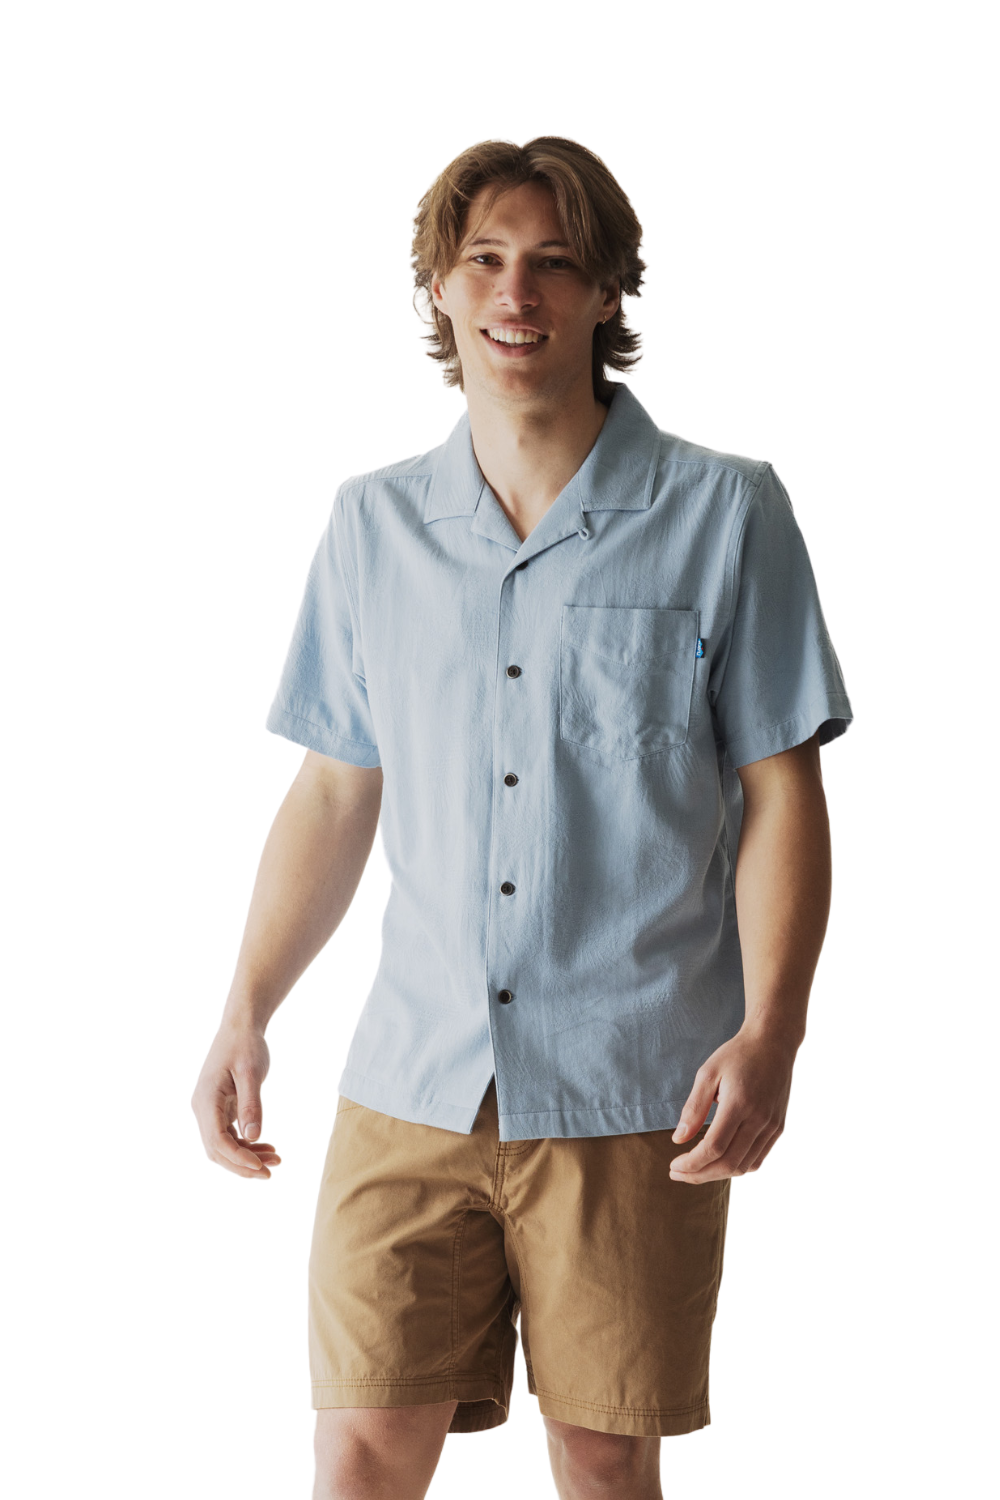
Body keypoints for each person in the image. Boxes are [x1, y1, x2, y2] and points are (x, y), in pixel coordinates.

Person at [191, 136, 853, 1500]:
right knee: (364, 1445)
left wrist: (773, 1030)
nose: (517, 291)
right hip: (410, 1080)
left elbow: (781, 785)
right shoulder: (372, 525)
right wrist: (247, 1006)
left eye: (556, 261)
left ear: (610, 292)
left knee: (604, 1456)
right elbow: (333, 786)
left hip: (628, 1082)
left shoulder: (726, 514)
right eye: (484, 259)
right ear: (438, 289)